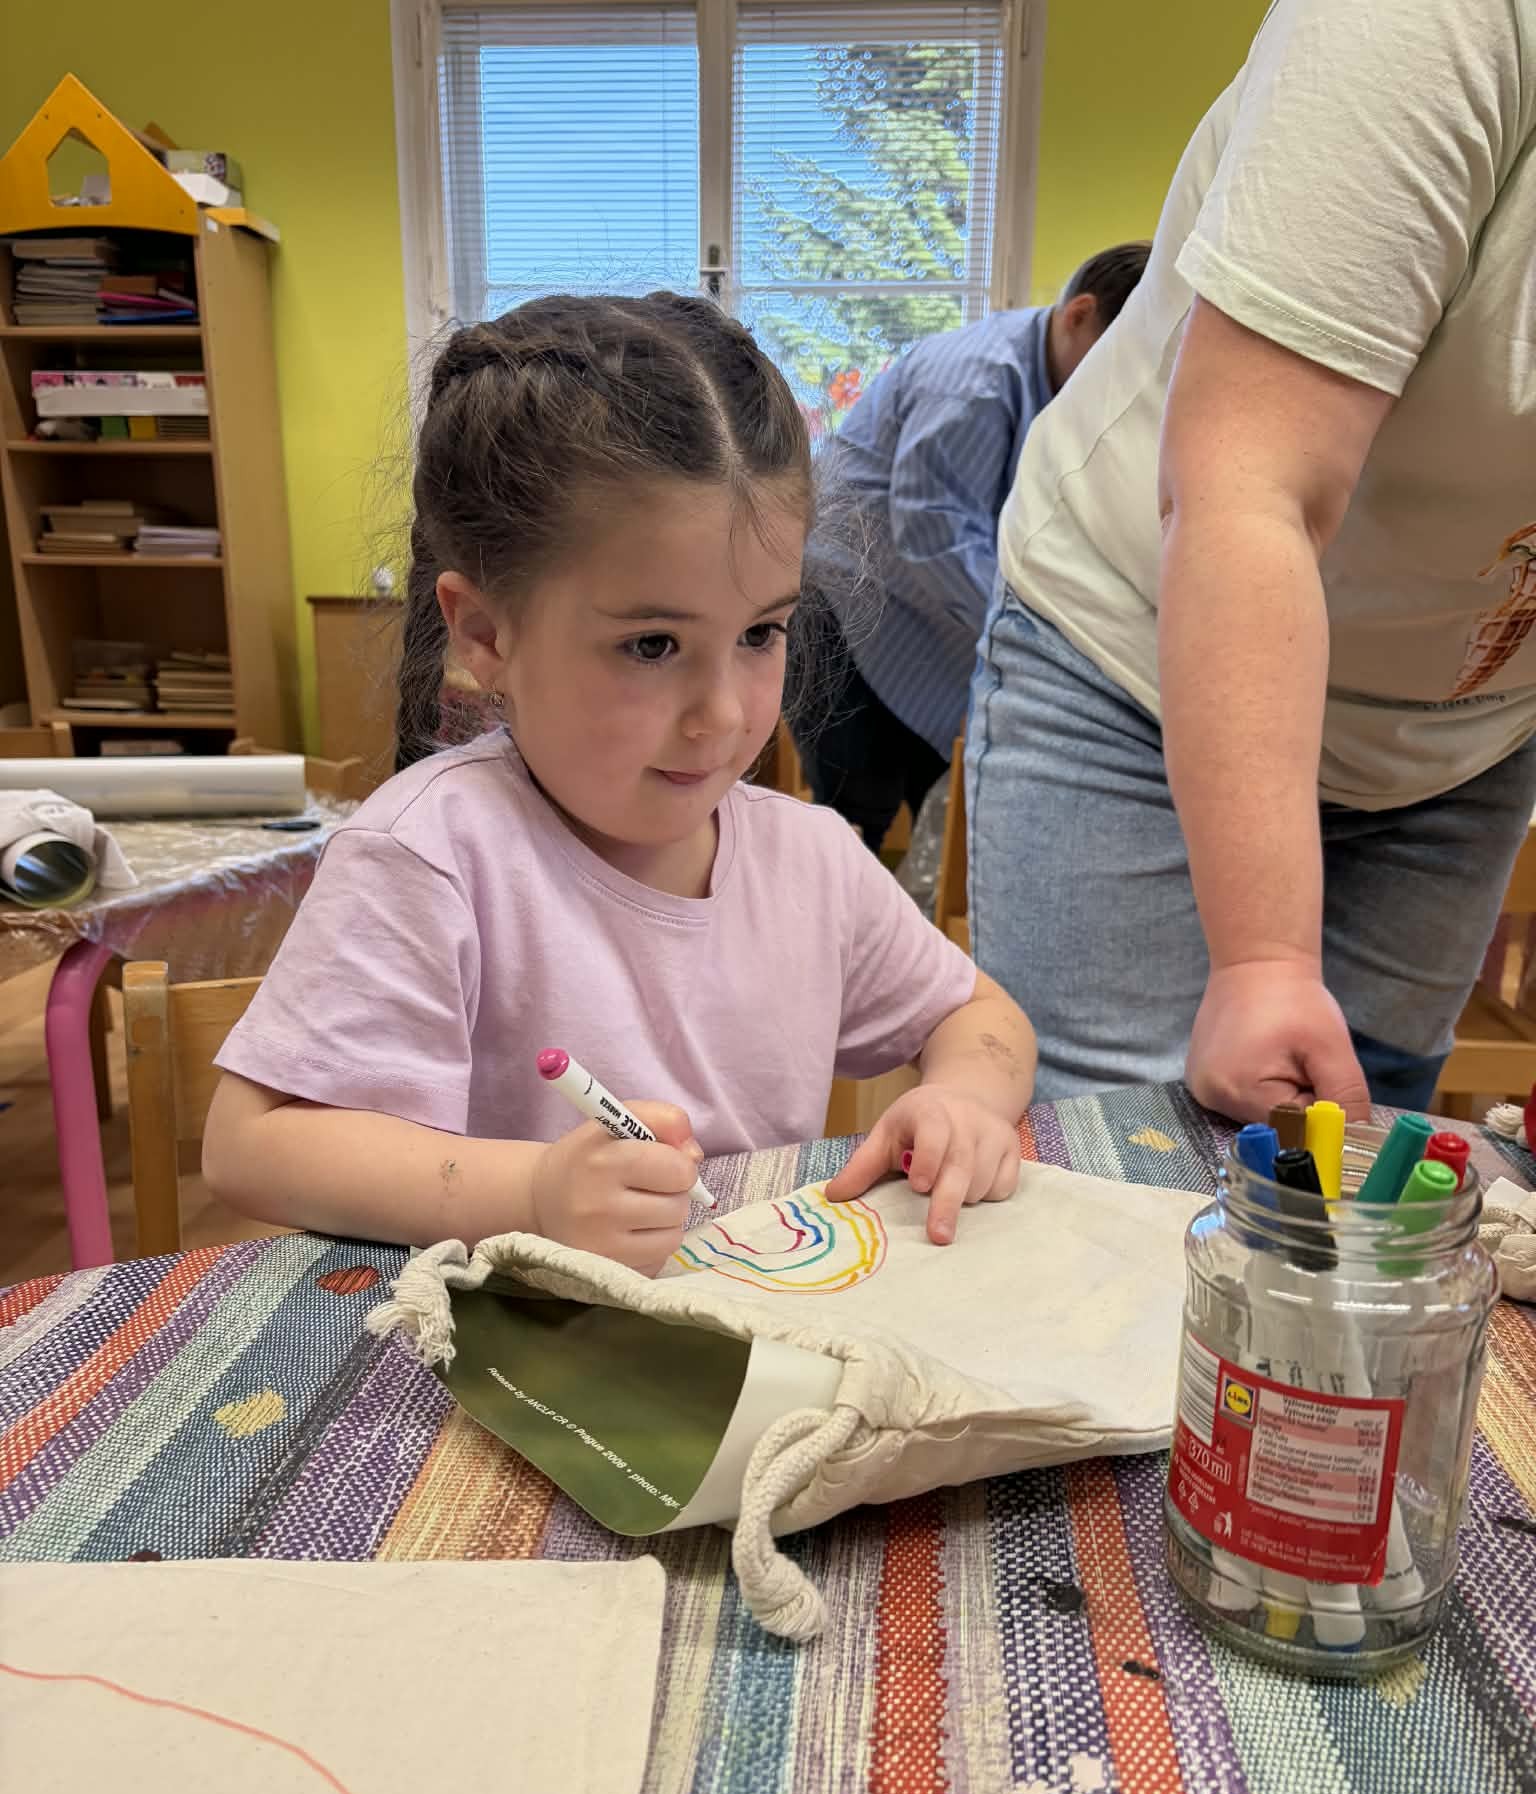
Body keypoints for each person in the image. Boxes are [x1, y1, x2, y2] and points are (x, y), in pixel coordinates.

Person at [203, 293, 1037, 1273]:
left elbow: (981, 1015)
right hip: (518, 1336)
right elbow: (252, 1145)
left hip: (759, 1323)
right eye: (652, 644)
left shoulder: (809, 857)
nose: (722, 714)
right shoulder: (434, 853)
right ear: (485, 633)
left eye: (761, 632)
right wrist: (533, 1194)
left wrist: (964, 1101)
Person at [968, 0, 1536, 1122]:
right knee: (1126, 1157)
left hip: (1460, 740)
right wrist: (1266, 958)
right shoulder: (1435, 25)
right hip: (1137, 664)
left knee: (1369, 1167)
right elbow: (1249, 483)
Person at [788, 243, 1150, 849]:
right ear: (1080, 314)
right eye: (1121, 361)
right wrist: (1044, 637)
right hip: (854, 608)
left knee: (934, 792)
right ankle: (837, 905)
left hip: (921, 618)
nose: (1123, 386)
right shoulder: (976, 380)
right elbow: (934, 532)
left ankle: (889, 904)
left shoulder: (1051, 384)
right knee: (855, 814)